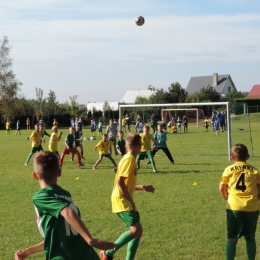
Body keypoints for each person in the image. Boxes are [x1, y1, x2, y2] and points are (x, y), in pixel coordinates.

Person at [15, 151, 116, 260]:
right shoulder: (65, 195)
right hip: (86, 254)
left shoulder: (41, 197)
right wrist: (28, 251)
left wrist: (90, 240)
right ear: (59, 172)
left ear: (35, 175)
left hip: (64, 256)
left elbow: (68, 212)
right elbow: (56, 237)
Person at [99, 132, 155, 260]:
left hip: (124, 198)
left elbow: (126, 184)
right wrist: (130, 199)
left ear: (125, 146)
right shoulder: (129, 159)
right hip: (121, 199)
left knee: (137, 231)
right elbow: (120, 182)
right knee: (136, 230)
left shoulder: (128, 158)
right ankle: (107, 253)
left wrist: (143, 187)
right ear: (140, 147)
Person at [219, 144, 260, 260]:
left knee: (232, 238)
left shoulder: (228, 170)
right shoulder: (255, 170)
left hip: (234, 207)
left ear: (232, 158)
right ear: (247, 156)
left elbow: (221, 188)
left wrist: (229, 199)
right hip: (252, 207)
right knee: (250, 238)